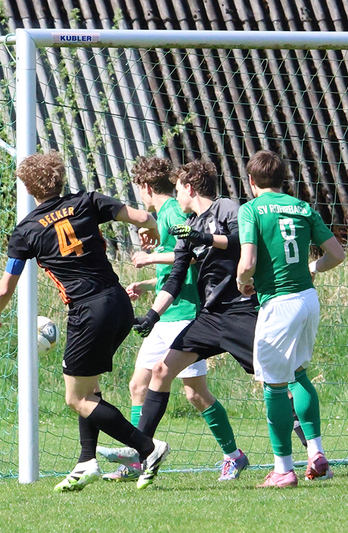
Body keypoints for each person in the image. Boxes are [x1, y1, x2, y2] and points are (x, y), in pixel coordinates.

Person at [0, 151, 170, 492]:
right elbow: (143, 216)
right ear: (60, 179)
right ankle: (86, 462)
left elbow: (7, 286)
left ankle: (147, 448)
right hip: (118, 303)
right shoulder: (87, 201)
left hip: (88, 311)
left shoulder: (26, 231)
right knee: (89, 387)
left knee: (76, 398)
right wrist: (151, 229)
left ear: (28, 188)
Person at [126, 159, 260, 489]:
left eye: (178, 190)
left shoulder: (227, 208)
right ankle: (143, 453)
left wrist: (203, 237)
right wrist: (152, 315)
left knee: (275, 379)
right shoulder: (186, 224)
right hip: (209, 317)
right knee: (159, 372)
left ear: (189, 188)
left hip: (240, 312)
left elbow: (241, 241)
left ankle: (313, 452)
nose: (176, 196)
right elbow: (175, 276)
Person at [98, 155, 228, 482]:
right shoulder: (165, 214)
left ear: (144, 187)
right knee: (138, 385)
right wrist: (146, 285)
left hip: (183, 313)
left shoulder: (171, 212)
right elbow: (173, 269)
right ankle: (136, 460)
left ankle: (233, 455)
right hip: (166, 313)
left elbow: (191, 256)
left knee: (195, 394)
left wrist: (148, 258)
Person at [236, 150, 346, 488]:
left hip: (279, 304)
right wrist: (312, 267)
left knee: (274, 386)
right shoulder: (302, 207)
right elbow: (337, 254)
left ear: (251, 181)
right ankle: (316, 453)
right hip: (308, 300)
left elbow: (247, 262)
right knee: (298, 374)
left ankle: (283, 470)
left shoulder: (251, 209)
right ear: (283, 179)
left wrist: (242, 282)